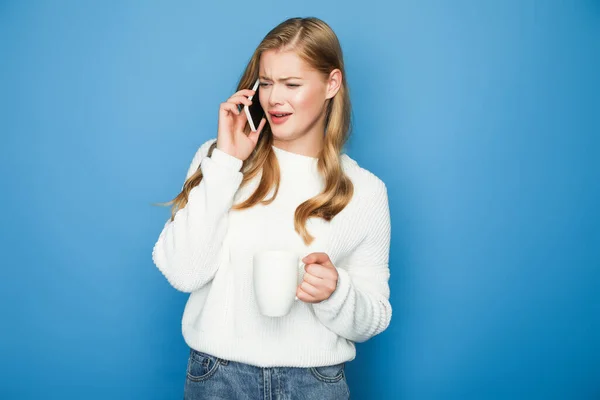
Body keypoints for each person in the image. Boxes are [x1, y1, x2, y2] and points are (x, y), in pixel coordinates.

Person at [152, 16, 392, 400]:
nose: (274, 98)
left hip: (315, 383)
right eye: (266, 83)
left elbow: (374, 316)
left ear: (332, 84)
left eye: (292, 84)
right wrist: (227, 162)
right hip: (218, 378)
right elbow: (184, 272)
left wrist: (336, 292)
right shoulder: (218, 161)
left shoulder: (365, 191)